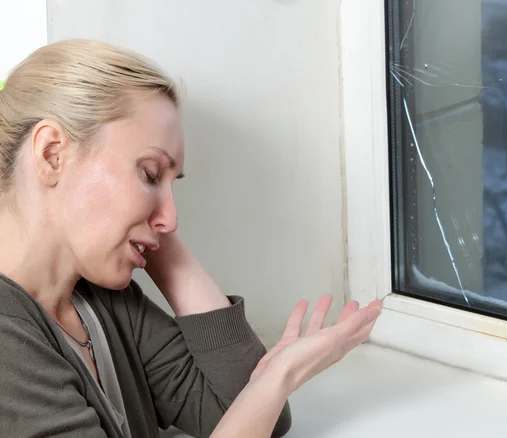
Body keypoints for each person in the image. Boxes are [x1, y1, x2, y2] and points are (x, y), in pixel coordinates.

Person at [0, 39, 383, 438]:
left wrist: (151, 229)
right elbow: (256, 404)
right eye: (150, 174)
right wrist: (278, 376)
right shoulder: (7, 341)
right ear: (51, 154)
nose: (172, 218)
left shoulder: (102, 303)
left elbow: (244, 415)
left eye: (172, 183)